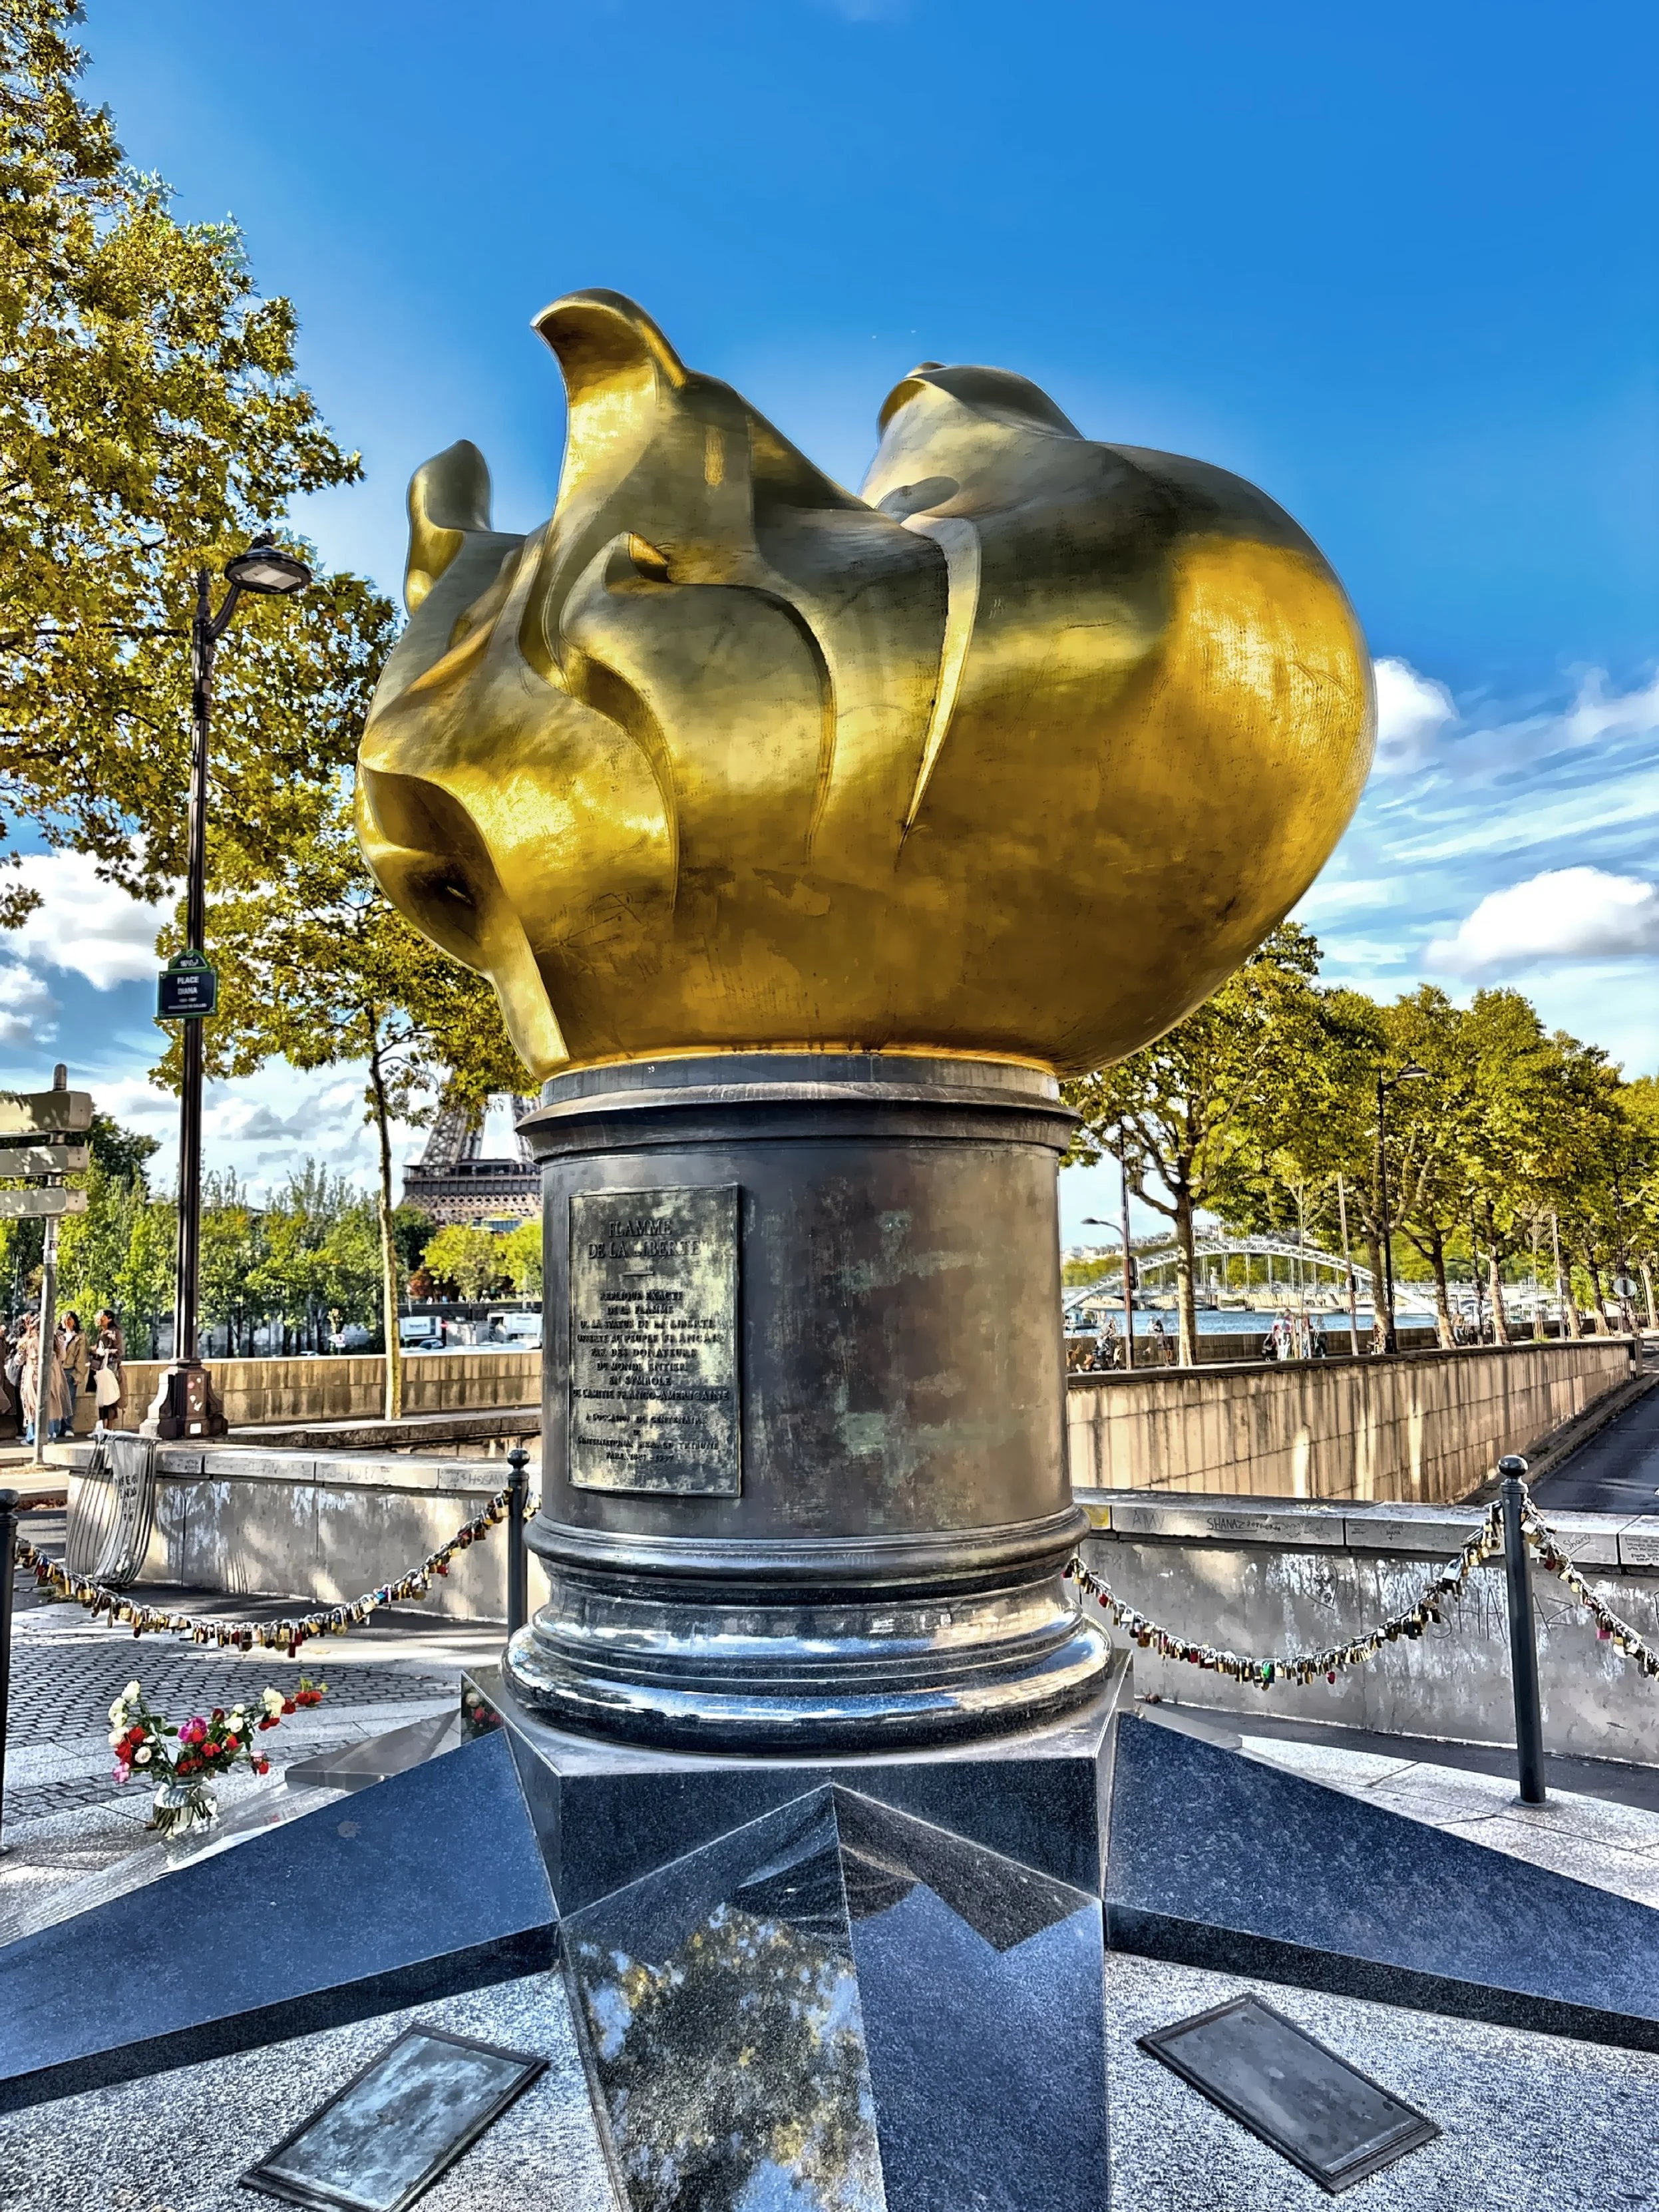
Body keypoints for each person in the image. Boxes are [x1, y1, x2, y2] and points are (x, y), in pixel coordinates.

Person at [19, 1315, 65, 1445]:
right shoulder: (54, 1340)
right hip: (52, 1375)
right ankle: (49, 1435)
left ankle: (33, 1437)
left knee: (32, 1406)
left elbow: (19, 1359)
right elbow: (63, 1356)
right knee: (48, 1404)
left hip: (34, 1374)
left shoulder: (30, 1340)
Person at [92, 1315, 126, 1432]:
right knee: (102, 1399)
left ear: (109, 1319)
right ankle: (102, 1424)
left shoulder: (114, 1332)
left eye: (103, 1317)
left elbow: (119, 1351)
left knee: (111, 1398)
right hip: (101, 1368)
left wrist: (106, 1352)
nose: (99, 1319)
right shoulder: (101, 1332)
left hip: (111, 1367)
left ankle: (109, 1426)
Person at [59, 1309, 88, 1437]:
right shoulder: (58, 1335)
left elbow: (82, 1357)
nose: (66, 1322)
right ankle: (56, 1427)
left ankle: (67, 1427)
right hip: (57, 1370)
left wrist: (78, 1374)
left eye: (69, 1319)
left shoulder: (79, 1337)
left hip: (70, 1370)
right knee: (56, 1399)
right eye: (64, 1319)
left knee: (69, 1400)